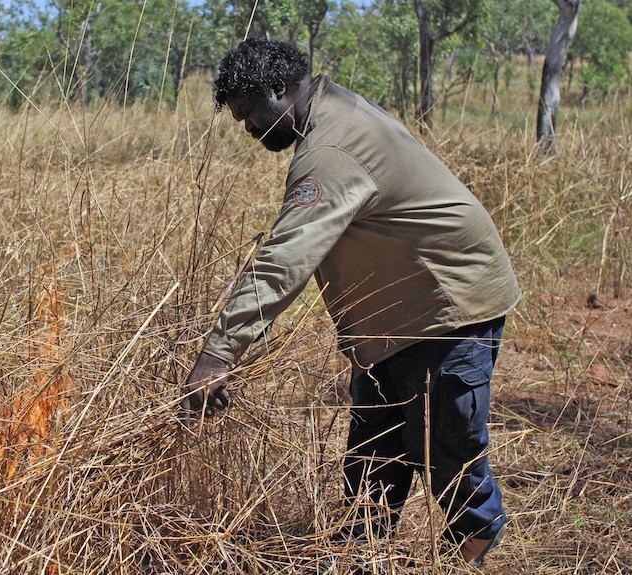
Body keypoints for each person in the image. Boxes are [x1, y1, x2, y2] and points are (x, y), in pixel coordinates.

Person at [179, 38, 520, 570]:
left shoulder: (329, 153)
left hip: (445, 309)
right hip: (395, 317)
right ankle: (362, 557)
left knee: (447, 456)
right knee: (373, 457)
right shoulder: (333, 106)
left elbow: (285, 259)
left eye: (248, 113)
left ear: (278, 90)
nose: (246, 128)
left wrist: (217, 356)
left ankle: (469, 555)